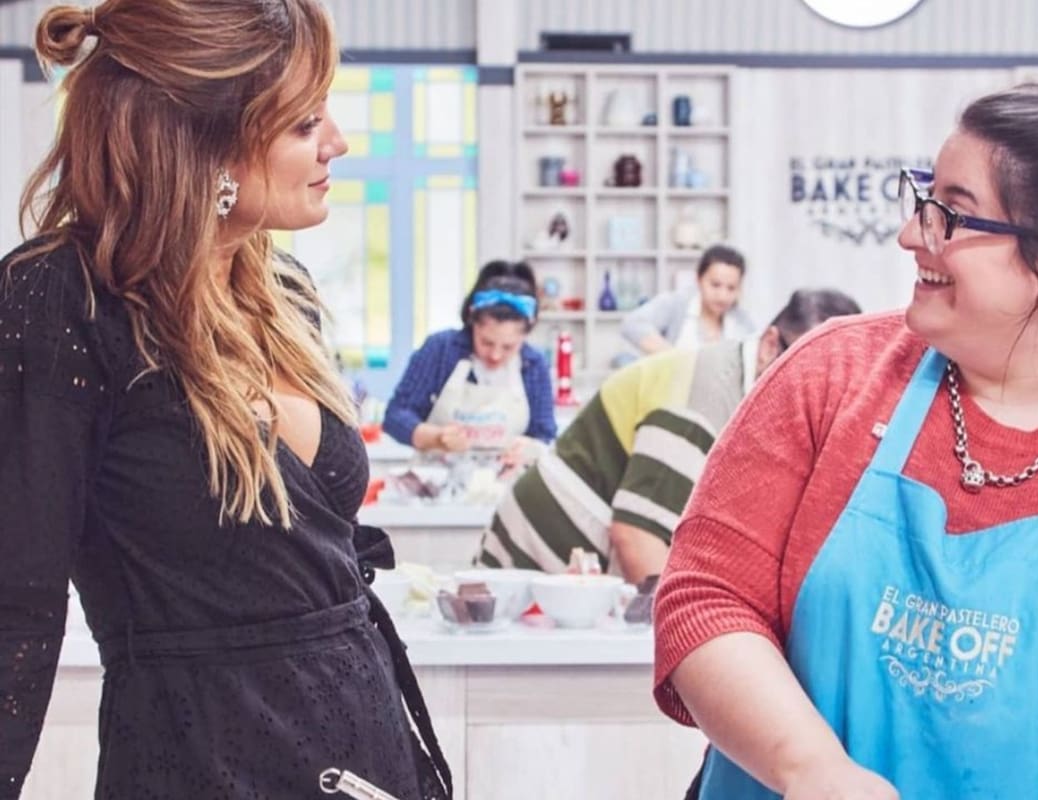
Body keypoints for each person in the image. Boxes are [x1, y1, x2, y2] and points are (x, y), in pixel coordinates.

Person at [654, 82, 1038, 800]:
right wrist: (816, 773)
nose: (913, 234)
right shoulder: (833, 374)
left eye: (954, 214)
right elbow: (705, 597)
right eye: (924, 198)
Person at [0, 2, 451, 798]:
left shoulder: (283, 292)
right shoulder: (60, 297)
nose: (338, 143)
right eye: (306, 122)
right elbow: (16, 606)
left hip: (366, 747)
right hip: (200, 758)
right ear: (205, 144)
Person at [476, 289, 861, 583]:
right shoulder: (704, 403)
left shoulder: (745, 386)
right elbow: (637, 535)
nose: (816, 400)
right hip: (544, 548)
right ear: (769, 344)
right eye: (806, 374)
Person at [382, 260, 555, 468]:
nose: (496, 355)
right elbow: (395, 416)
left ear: (527, 333)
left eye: (508, 347)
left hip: (504, 487)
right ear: (472, 321)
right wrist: (436, 437)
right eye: (486, 342)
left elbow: (545, 435)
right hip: (434, 486)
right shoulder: (440, 349)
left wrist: (527, 449)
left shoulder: (534, 365)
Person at [621, 244, 756, 356]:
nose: (722, 296)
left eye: (731, 288)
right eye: (715, 285)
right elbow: (633, 324)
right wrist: (674, 359)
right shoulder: (677, 304)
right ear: (699, 279)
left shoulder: (742, 321)